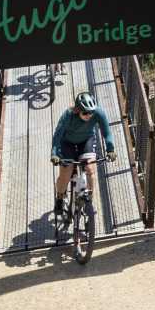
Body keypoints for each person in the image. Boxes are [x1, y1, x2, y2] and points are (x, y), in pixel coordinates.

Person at [50, 91, 114, 219]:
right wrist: (54, 154)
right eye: (85, 112)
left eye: (91, 112)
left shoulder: (98, 112)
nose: (89, 115)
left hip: (86, 140)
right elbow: (57, 135)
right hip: (67, 142)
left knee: (90, 169)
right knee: (65, 173)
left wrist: (110, 149)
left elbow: (106, 132)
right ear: (78, 109)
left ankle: (89, 199)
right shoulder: (68, 115)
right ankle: (60, 197)